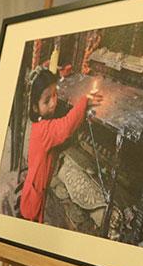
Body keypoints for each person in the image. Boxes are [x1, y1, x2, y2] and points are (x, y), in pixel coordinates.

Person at [20, 69, 102, 223]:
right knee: (31, 220)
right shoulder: (44, 130)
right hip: (34, 192)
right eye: (46, 100)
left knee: (36, 215)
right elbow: (65, 127)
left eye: (54, 94)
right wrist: (85, 101)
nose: (53, 102)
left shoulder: (41, 123)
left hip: (37, 186)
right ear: (35, 108)